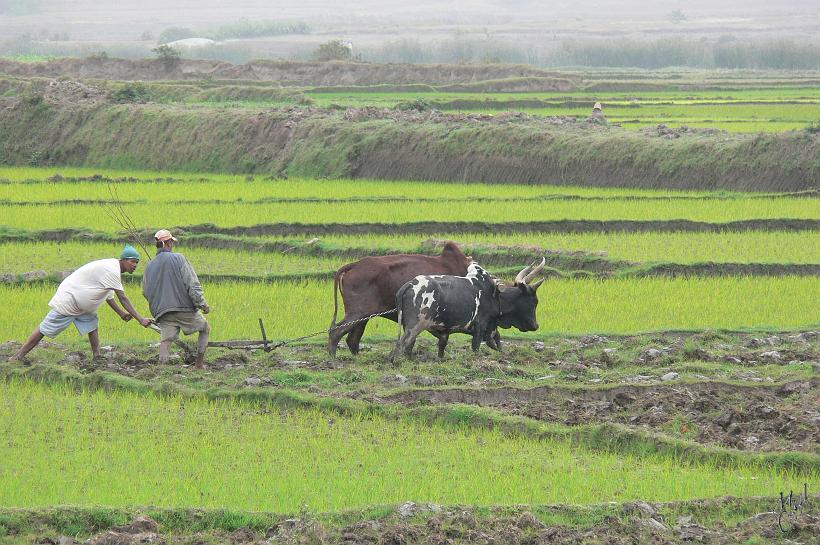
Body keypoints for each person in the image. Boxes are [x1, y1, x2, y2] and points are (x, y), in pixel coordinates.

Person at [9, 245, 153, 361]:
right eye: (132, 261)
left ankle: (97, 357)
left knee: (92, 326)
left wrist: (121, 313)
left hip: (81, 306)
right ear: (123, 260)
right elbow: (123, 298)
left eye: (137, 262)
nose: (135, 265)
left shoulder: (113, 269)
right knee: (45, 328)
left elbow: (109, 296)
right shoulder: (112, 270)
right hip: (70, 300)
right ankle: (18, 356)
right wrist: (140, 319)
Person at [142, 229, 211, 368]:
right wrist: (202, 304)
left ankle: (161, 370)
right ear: (168, 243)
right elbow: (192, 283)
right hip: (183, 309)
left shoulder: (149, 265)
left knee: (166, 340)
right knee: (205, 328)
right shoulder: (179, 258)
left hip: (162, 312)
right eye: (171, 242)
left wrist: (159, 305)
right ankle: (199, 365)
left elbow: (145, 292)